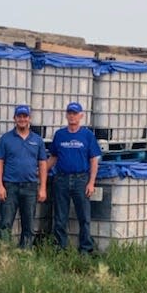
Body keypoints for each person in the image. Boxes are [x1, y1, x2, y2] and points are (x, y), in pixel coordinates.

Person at [47, 102, 102, 253]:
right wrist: (41, 171)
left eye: (75, 113)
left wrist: (91, 183)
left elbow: (94, 160)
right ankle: (60, 249)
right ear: (66, 115)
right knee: (60, 217)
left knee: (84, 216)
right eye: (70, 113)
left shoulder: (87, 135)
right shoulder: (59, 135)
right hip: (61, 179)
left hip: (81, 180)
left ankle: (85, 249)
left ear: (81, 116)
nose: (72, 116)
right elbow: (53, 157)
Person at [0, 104, 48, 248]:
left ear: (29, 119)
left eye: (25, 116)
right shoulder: (6, 139)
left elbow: (43, 164)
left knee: (29, 224)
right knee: (6, 222)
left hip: (30, 187)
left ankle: (25, 254)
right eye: (19, 116)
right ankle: (4, 253)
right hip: (10, 186)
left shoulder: (37, 140)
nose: (22, 119)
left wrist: (42, 188)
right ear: (14, 118)